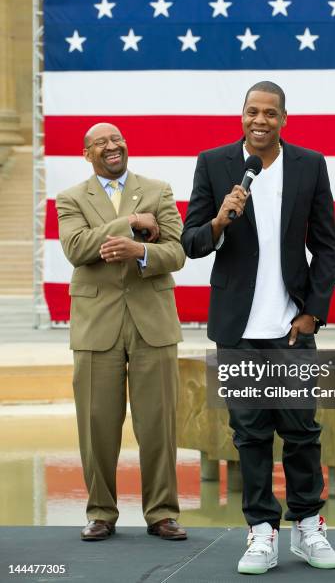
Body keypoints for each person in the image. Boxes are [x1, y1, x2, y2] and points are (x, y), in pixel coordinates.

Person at [182, 82, 335, 573]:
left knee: (300, 430)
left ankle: (308, 527)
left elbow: (326, 246)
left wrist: (312, 311)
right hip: (237, 330)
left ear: (284, 119)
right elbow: (191, 242)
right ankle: (262, 532)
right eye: (253, 111)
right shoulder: (214, 164)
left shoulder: (310, 165)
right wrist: (220, 221)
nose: (261, 120)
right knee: (249, 434)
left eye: (271, 112)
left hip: (291, 328)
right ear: (242, 116)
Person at [56, 122, 187, 542]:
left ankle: (163, 512)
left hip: (154, 322)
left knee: (158, 423)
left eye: (117, 140)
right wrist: (132, 223)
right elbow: (76, 248)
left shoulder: (159, 189)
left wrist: (142, 251)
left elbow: (178, 251)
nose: (112, 147)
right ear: (86, 153)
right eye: (101, 143)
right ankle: (100, 512)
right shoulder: (70, 198)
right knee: (96, 423)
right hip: (97, 325)